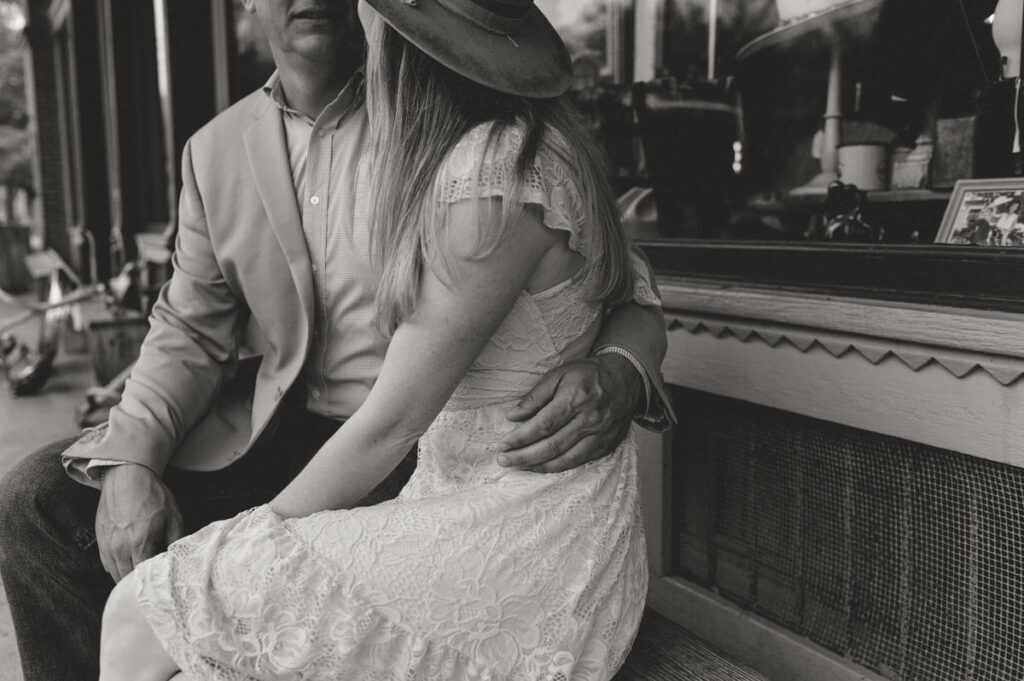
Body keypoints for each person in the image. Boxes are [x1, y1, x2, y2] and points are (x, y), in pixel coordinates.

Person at [0, 1, 671, 680]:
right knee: (36, 501)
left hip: (417, 455)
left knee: (175, 603)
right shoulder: (215, 150)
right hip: (278, 435)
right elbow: (187, 329)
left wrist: (622, 364)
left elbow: (611, 269)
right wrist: (129, 461)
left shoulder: (452, 124)